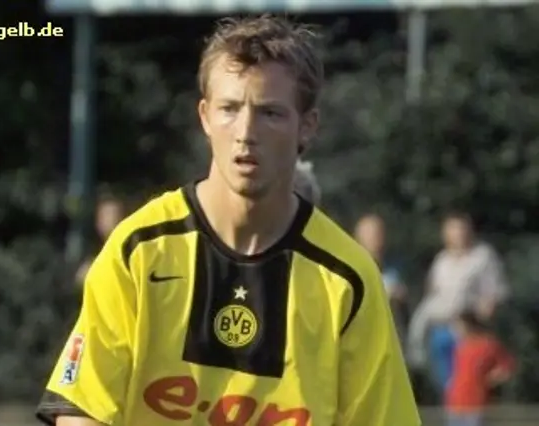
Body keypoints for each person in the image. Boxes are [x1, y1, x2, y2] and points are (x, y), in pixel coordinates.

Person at [36, 15, 419, 426]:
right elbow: (80, 410)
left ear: (307, 127)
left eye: (270, 113)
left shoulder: (348, 279)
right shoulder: (140, 249)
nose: (246, 131)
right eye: (229, 109)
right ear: (204, 116)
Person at [408, 211, 508, 396]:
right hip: (441, 329)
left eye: (461, 229)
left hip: (469, 330)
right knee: (447, 385)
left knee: (468, 383)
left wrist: (482, 316)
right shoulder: (442, 260)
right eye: (452, 229)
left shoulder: (483, 257)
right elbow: (432, 291)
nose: (458, 234)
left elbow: (495, 293)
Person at [445, 310, 514, 426]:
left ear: (469, 325)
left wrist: (491, 379)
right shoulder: (459, 347)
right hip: (455, 403)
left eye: (458, 326)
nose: (455, 330)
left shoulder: (487, 344)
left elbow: (507, 367)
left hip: (476, 403)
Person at [354, 213, 409, 347]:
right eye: (370, 234)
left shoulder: (394, 269)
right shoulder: (352, 271)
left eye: (379, 232)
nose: (376, 238)